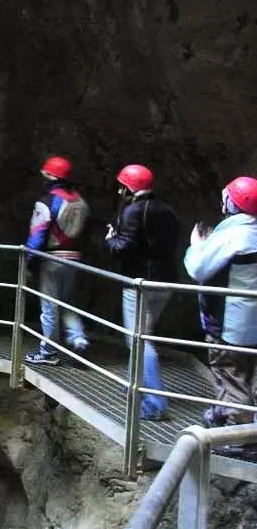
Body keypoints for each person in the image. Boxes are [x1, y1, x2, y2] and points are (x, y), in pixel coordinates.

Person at [184, 177, 257, 449]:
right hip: (252, 324)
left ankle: (242, 439)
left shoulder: (232, 236)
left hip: (230, 324)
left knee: (229, 374)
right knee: (246, 374)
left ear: (233, 203)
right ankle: (222, 415)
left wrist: (197, 244)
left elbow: (198, 269)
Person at [104, 163, 180, 421]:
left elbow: (124, 248)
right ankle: (134, 386)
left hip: (141, 283)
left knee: (138, 339)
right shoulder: (168, 210)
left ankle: (156, 404)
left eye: (121, 186)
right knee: (142, 334)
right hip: (166, 282)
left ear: (129, 187)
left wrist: (111, 239)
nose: (118, 190)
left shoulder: (133, 211)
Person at [23, 156, 91, 366]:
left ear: (52, 177)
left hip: (52, 258)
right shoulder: (81, 202)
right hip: (74, 258)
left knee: (49, 307)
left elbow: (37, 235)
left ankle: (48, 351)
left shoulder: (47, 202)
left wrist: (29, 261)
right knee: (68, 302)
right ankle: (78, 339)